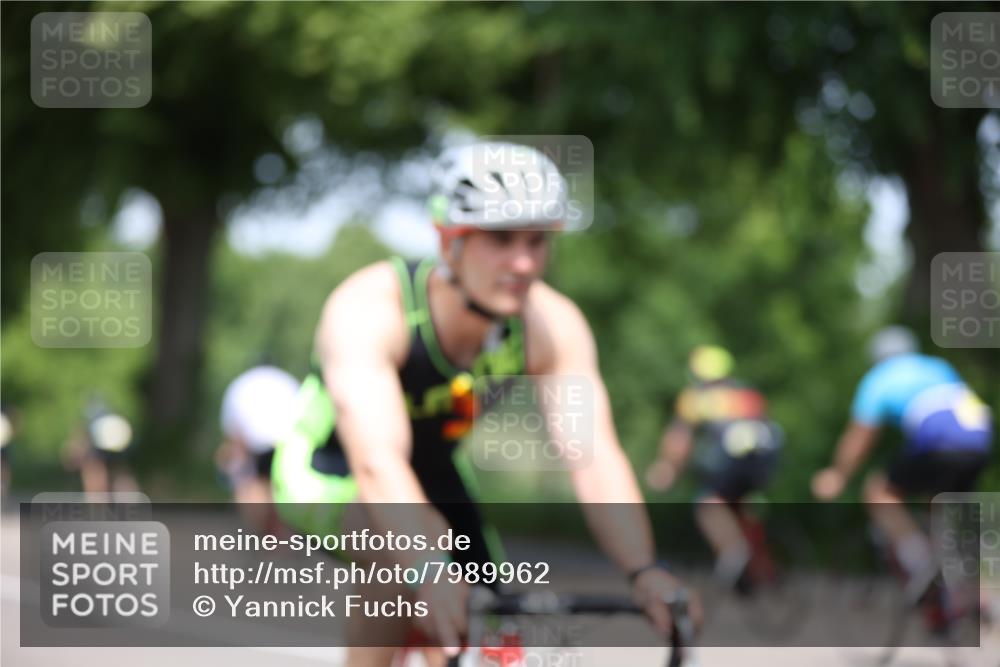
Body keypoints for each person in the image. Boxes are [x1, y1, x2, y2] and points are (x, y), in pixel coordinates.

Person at [271, 141, 700, 666]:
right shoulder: (370, 307)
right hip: (331, 469)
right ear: (448, 240)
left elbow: (593, 457)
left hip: (433, 474)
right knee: (409, 554)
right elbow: (376, 461)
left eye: (537, 241)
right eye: (500, 238)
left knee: (494, 628)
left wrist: (644, 570)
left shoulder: (550, 325)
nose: (523, 262)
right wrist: (426, 565)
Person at [812, 326, 993, 601]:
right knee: (941, 513)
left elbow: (860, 437)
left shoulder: (879, 378)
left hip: (939, 442)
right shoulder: (936, 366)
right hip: (979, 441)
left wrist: (838, 475)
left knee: (879, 493)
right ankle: (974, 597)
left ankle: (921, 564)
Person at [645, 345, 782, 591]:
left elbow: (679, 441)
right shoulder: (747, 393)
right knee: (743, 505)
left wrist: (667, 469)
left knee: (708, 504)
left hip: (729, 461)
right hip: (765, 460)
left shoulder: (696, 397)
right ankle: (761, 565)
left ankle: (733, 551)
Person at [218, 364, 300, 532]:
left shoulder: (241, 384)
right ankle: (280, 534)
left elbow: (233, 428)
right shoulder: (285, 380)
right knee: (282, 488)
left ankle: (262, 533)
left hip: (255, 441)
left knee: (252, 485)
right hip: (286, 440)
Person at [62, 396, 140, 495]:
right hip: (114, 449)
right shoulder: (111, 418)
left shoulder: (88, 423)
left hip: (101, 451)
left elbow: (77, 445)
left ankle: (98, 499)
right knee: (119, 472)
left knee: (94, 470)